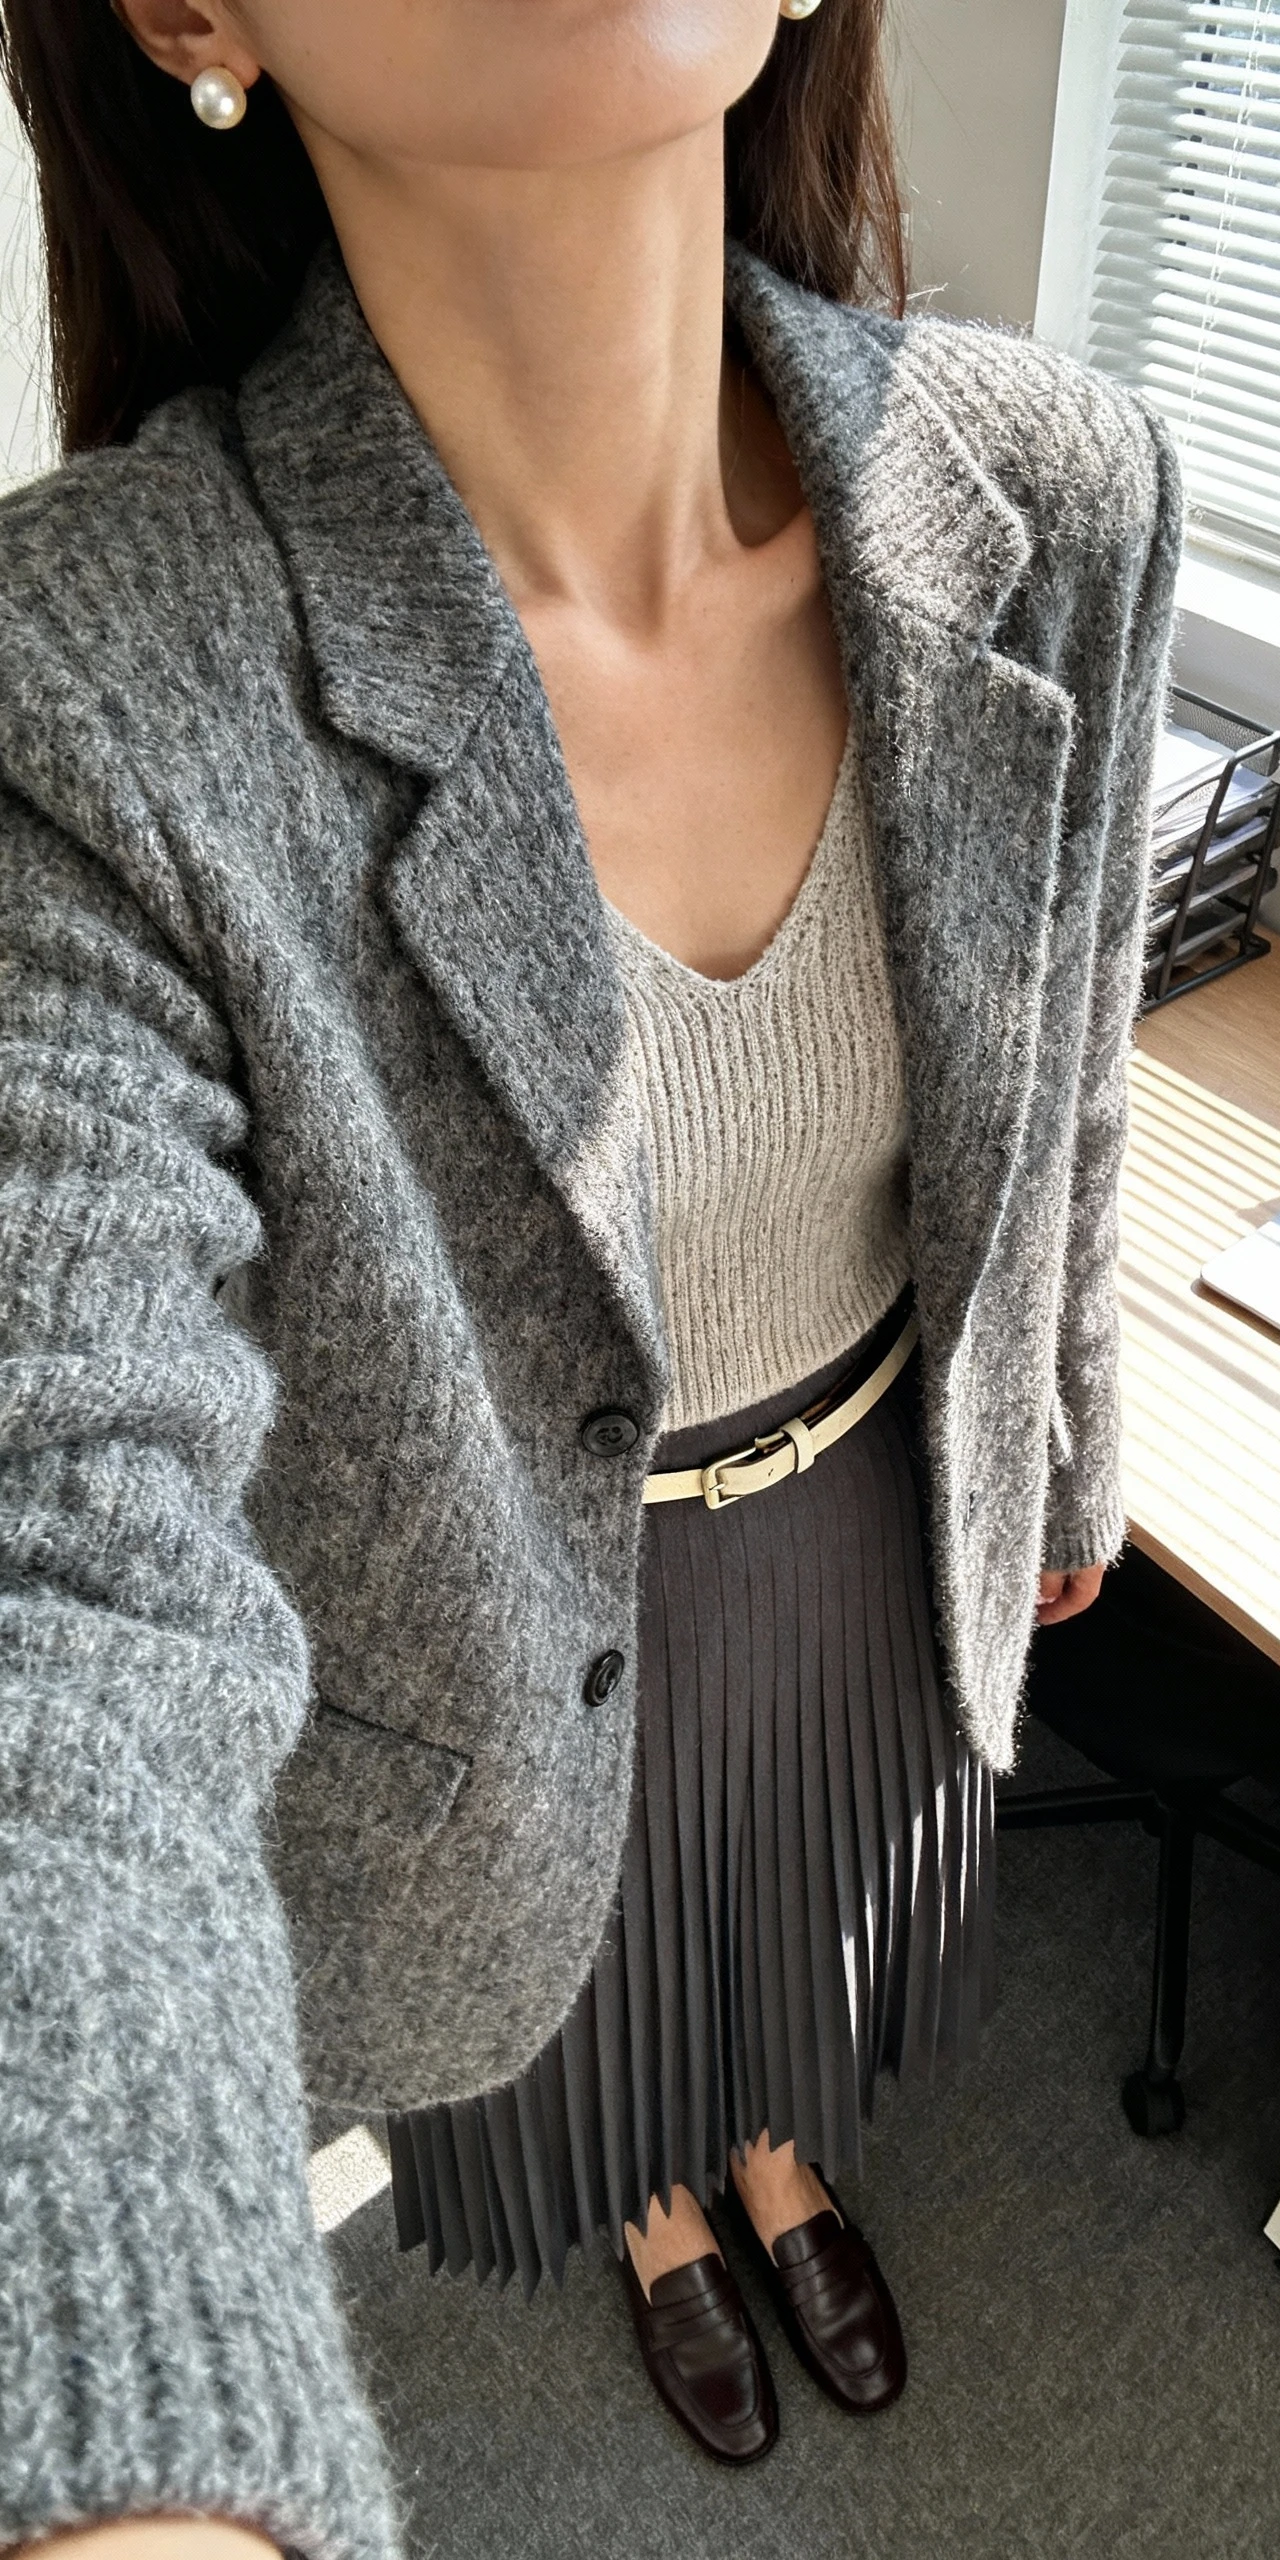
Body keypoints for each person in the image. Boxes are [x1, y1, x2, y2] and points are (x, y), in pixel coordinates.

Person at [0, 0, 1181, 2549]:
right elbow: (53, 1596)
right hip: (488, 1626)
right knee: (584, 1982)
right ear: (190, 15)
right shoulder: (90, 688)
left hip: (873, 1528)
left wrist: (1074, 1421)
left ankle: (765, 2158)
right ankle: (658, 2212)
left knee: (780, 1941)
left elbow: (1066, 1075)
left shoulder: (1056, 491)